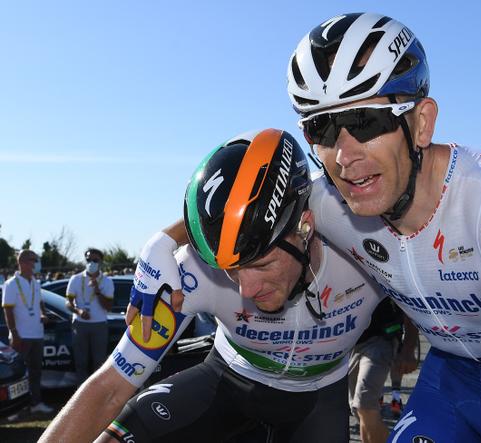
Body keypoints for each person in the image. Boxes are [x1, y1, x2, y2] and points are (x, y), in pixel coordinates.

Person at [286, 12, 481, 442]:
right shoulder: (327, 204)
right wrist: (165, 245)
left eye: (366, 122)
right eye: (321, 128)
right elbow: (238, 210)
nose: (344, 156)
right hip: (450, 384)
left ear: (421, 122)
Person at [40, 129, 389, 443]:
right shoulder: (189, 272)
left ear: (305, 226)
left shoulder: (365, 250)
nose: (246, 290)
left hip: (318, 401)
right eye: (230, 272)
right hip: (228, 382)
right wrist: (161, 242)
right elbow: (108, 389)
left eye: (261, 264)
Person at [348, 298, 416, 443]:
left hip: (381, 339)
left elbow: (409, 307)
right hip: (350, 344)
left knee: (365, 405)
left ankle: (396, 396)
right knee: (359, 411)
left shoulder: (386, 275)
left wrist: (409, 349)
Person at [1, 249, 53, 415]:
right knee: (17, 375)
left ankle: (35, 403)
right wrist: (14, 333)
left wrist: (43, 314)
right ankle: (14, 410)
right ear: (23, 262)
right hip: (21, 336)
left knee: (36, 372)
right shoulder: (11, 284)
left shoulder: (35, 282)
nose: (36, 264)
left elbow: (40, 304)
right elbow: (7, 311)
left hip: (37, 334)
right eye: (33, 260)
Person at [65, 247, 115, 385]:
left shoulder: (107, 281)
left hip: (99, 325)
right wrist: (78, 311)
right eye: (88, 259)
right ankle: (81, 392)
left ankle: (97, 392)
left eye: (95, 260)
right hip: (80, 325)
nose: (91, 262)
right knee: (81, 362)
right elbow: (67, 303)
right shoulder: (75, 279)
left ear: (100, 262)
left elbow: (108, 306)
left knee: (99, 362)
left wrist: (97, 291)